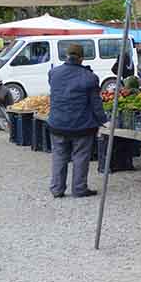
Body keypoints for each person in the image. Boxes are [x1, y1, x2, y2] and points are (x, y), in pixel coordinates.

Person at [47, 44, 108, 199]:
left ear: (66, 56)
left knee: (59, 156)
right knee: (80, 157)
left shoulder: (53, 73)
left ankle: (57, 189)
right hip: (81, 125)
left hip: (58, 123)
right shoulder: (90, 77)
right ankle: (79, 189)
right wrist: (104, 121)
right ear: (82, 58)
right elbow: (96, 103)